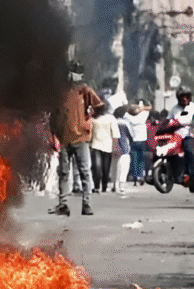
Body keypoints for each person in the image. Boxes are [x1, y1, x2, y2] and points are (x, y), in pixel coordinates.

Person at [49, 62, 105, 216]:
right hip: (64, 139)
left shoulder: (85, 91)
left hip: (81, 138)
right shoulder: (60, 93)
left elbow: (100, 106)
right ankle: (63, 204)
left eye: (78, 72)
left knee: (85, 172)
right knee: (64, 173)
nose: (75, 76)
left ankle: (87, 204)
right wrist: (54, 137)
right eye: (74, 72)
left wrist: (89, 117)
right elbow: (53, 117)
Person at [167, 89, 194, 190]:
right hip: (176, 135)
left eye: (186, 96)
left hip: (189, 134)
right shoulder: (174, 109)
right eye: (182, 97)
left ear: (190, 97)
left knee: (190, 151)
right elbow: (168, 120)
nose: (184, 99)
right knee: (168, 151)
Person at [89, 104, 119, 194]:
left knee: (106, 168)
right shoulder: (92, 118)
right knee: (97, 167)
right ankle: (97, 186)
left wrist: (115, 146)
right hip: (95, 145)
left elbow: (115, 134)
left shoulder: (111, 118)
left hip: (108, 146)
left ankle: (104, 186)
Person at [124, 101, 150, 186]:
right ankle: (141, 175)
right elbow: (148, 108)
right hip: (142, 141)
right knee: (141, 159)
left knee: (134, 159)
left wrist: (132, 108)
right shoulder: (143, 116)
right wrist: (141, 107)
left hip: (133, 141)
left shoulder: (128, 117)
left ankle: (135, 177)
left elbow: (125, 112)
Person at [113, 106, 133, 193]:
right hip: (124, 147)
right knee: (124, 167)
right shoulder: (125, 123)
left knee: (114, 167)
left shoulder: (113, 122)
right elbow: (131, 135)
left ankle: (115, 184)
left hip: (113, 147)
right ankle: (122, 185)